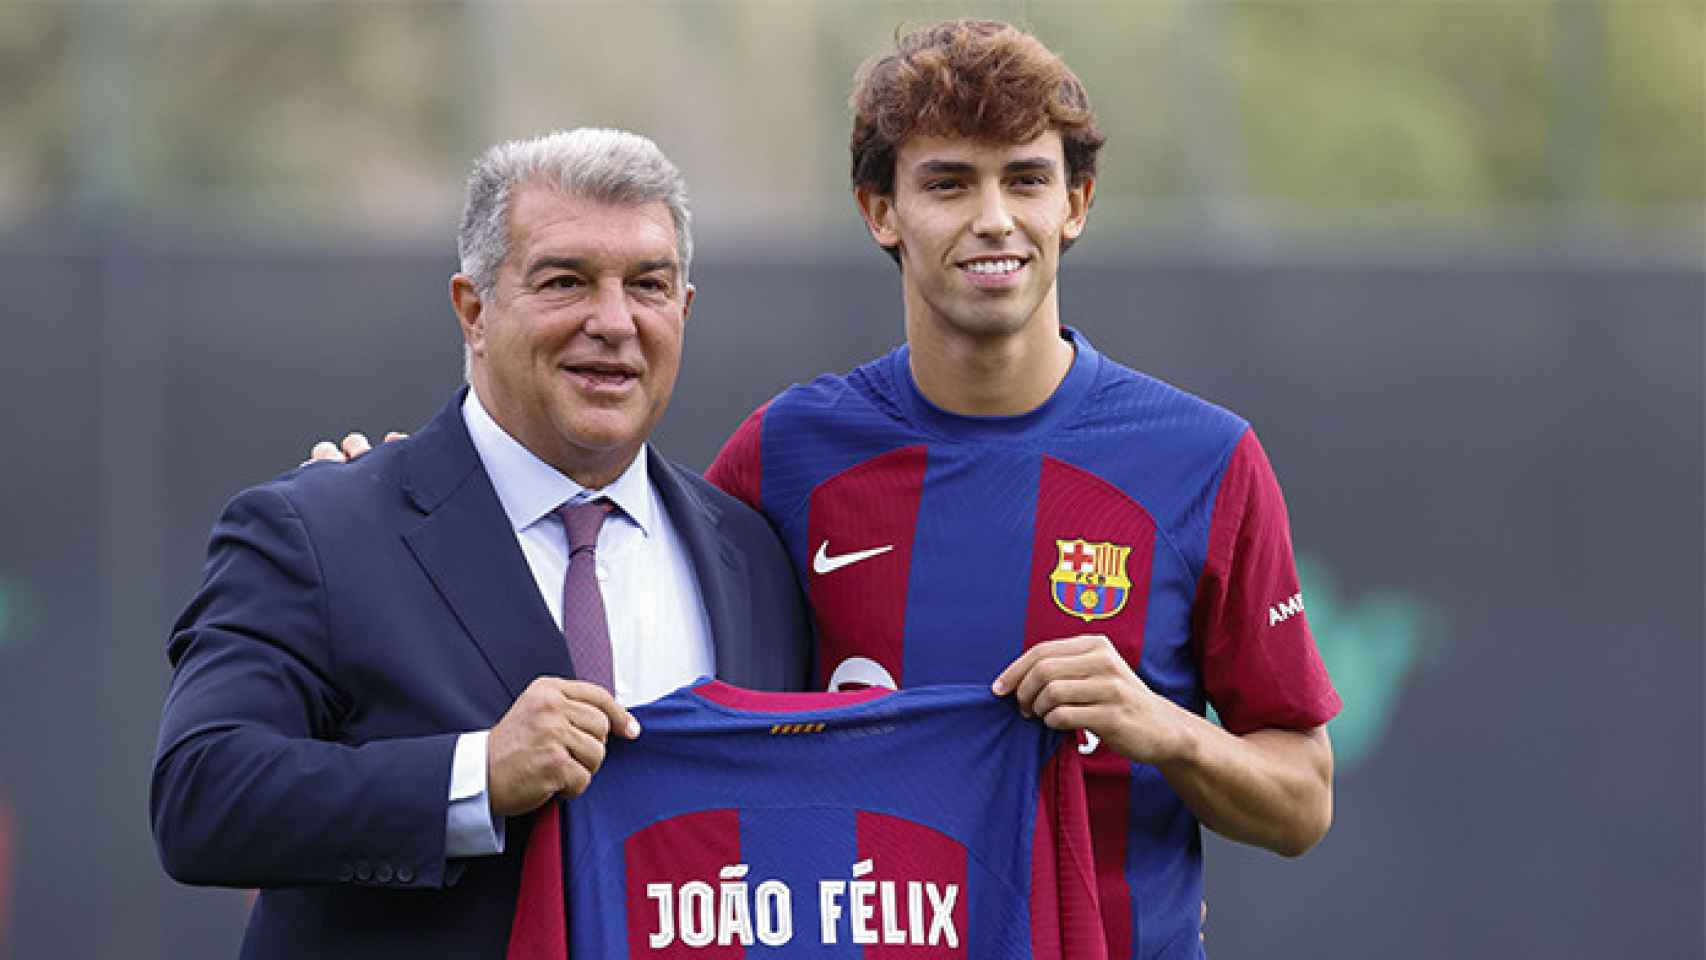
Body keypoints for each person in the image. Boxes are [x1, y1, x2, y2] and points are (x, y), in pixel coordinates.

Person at [701, 19, 1340, 959]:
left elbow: (1301, 804)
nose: (992, 217)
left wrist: (1165, 731)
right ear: (881, 210)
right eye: (949, 182)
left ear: (1075, 203)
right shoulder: (787, 452)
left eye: (1026, 179)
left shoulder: (1205, 459)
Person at [152, 128, 811, 960]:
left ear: (682, 310)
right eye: (565, 281)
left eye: (647, 285)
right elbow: (202, 798)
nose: (613, 322)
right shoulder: (318, 529)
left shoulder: (752, 556)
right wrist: (476, 777)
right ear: (473, 309)